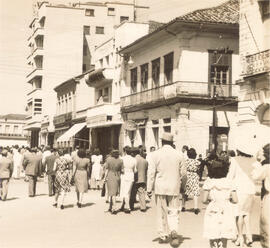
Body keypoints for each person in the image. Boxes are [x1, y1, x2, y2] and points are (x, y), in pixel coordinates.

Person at [147, 132, 184, 246]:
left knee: (161, 212)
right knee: (173, 211)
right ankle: (174, 230)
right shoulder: (179, 154)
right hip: (174, 187)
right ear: (172, 142)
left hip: (160, 187)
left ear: (162, 142)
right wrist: (182, 187)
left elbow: (151, 173)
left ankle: (163, 235)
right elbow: (183, 174)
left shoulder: (155, 154)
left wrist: (149, 188)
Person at [202, 154, 238, 248]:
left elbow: (204, 200)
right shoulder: (230, 182)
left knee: (213, 232)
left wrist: (211, 200)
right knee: (224, 233)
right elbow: (235, 200)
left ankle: (214, 245)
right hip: (226, 208)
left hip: (213, 207)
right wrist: (228, 199)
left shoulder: (209, 181)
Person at [227, 150, 256, 247]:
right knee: (246, 213)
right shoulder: (254, 160)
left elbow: (230, 176)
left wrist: (228, 188)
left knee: (238, 214)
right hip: (251, 189)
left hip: (239, 189)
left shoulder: (235, 160)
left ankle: (240, 237)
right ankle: (249, 235)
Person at [251, 143, 270, 248]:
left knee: (267, 223)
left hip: (269, 196)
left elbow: (255, 175)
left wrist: (258, 163)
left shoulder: (267, 167)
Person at [104, 150, 123, 214]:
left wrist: (104, 178)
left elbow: (107, 169)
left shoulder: (108, 159)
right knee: (114, 192)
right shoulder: (120, 160)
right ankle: (110, 207)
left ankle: (114, 208)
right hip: (117, 176)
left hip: (110, 175)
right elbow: (122, 170)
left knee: (112, 193)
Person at [182, 148, 201, 214]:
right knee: (195, 192)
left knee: (185, 192)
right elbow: (198, 169)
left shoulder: (185, 161)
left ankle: (183, 206)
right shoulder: (197, 162)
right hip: (194, 176)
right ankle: (195, 207)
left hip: (187, 175)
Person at [119, 146, 137, 213]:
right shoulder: (134, 159)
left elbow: (121, 169)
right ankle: (123, 205)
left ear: (125, 152)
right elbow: (135, 170)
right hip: (131, 175)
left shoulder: (122, 159)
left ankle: (127, 207)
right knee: (128, 191)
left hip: (124, 175)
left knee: (124, 191)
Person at [131, 147, 148, 212]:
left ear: (134, 153)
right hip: (143, 179)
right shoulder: (145, 160)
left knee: (132, 193)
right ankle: (143, 207)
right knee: (142, 193)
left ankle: (131, 206)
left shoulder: (133, 160)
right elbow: (146, 170)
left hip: (135, 178)